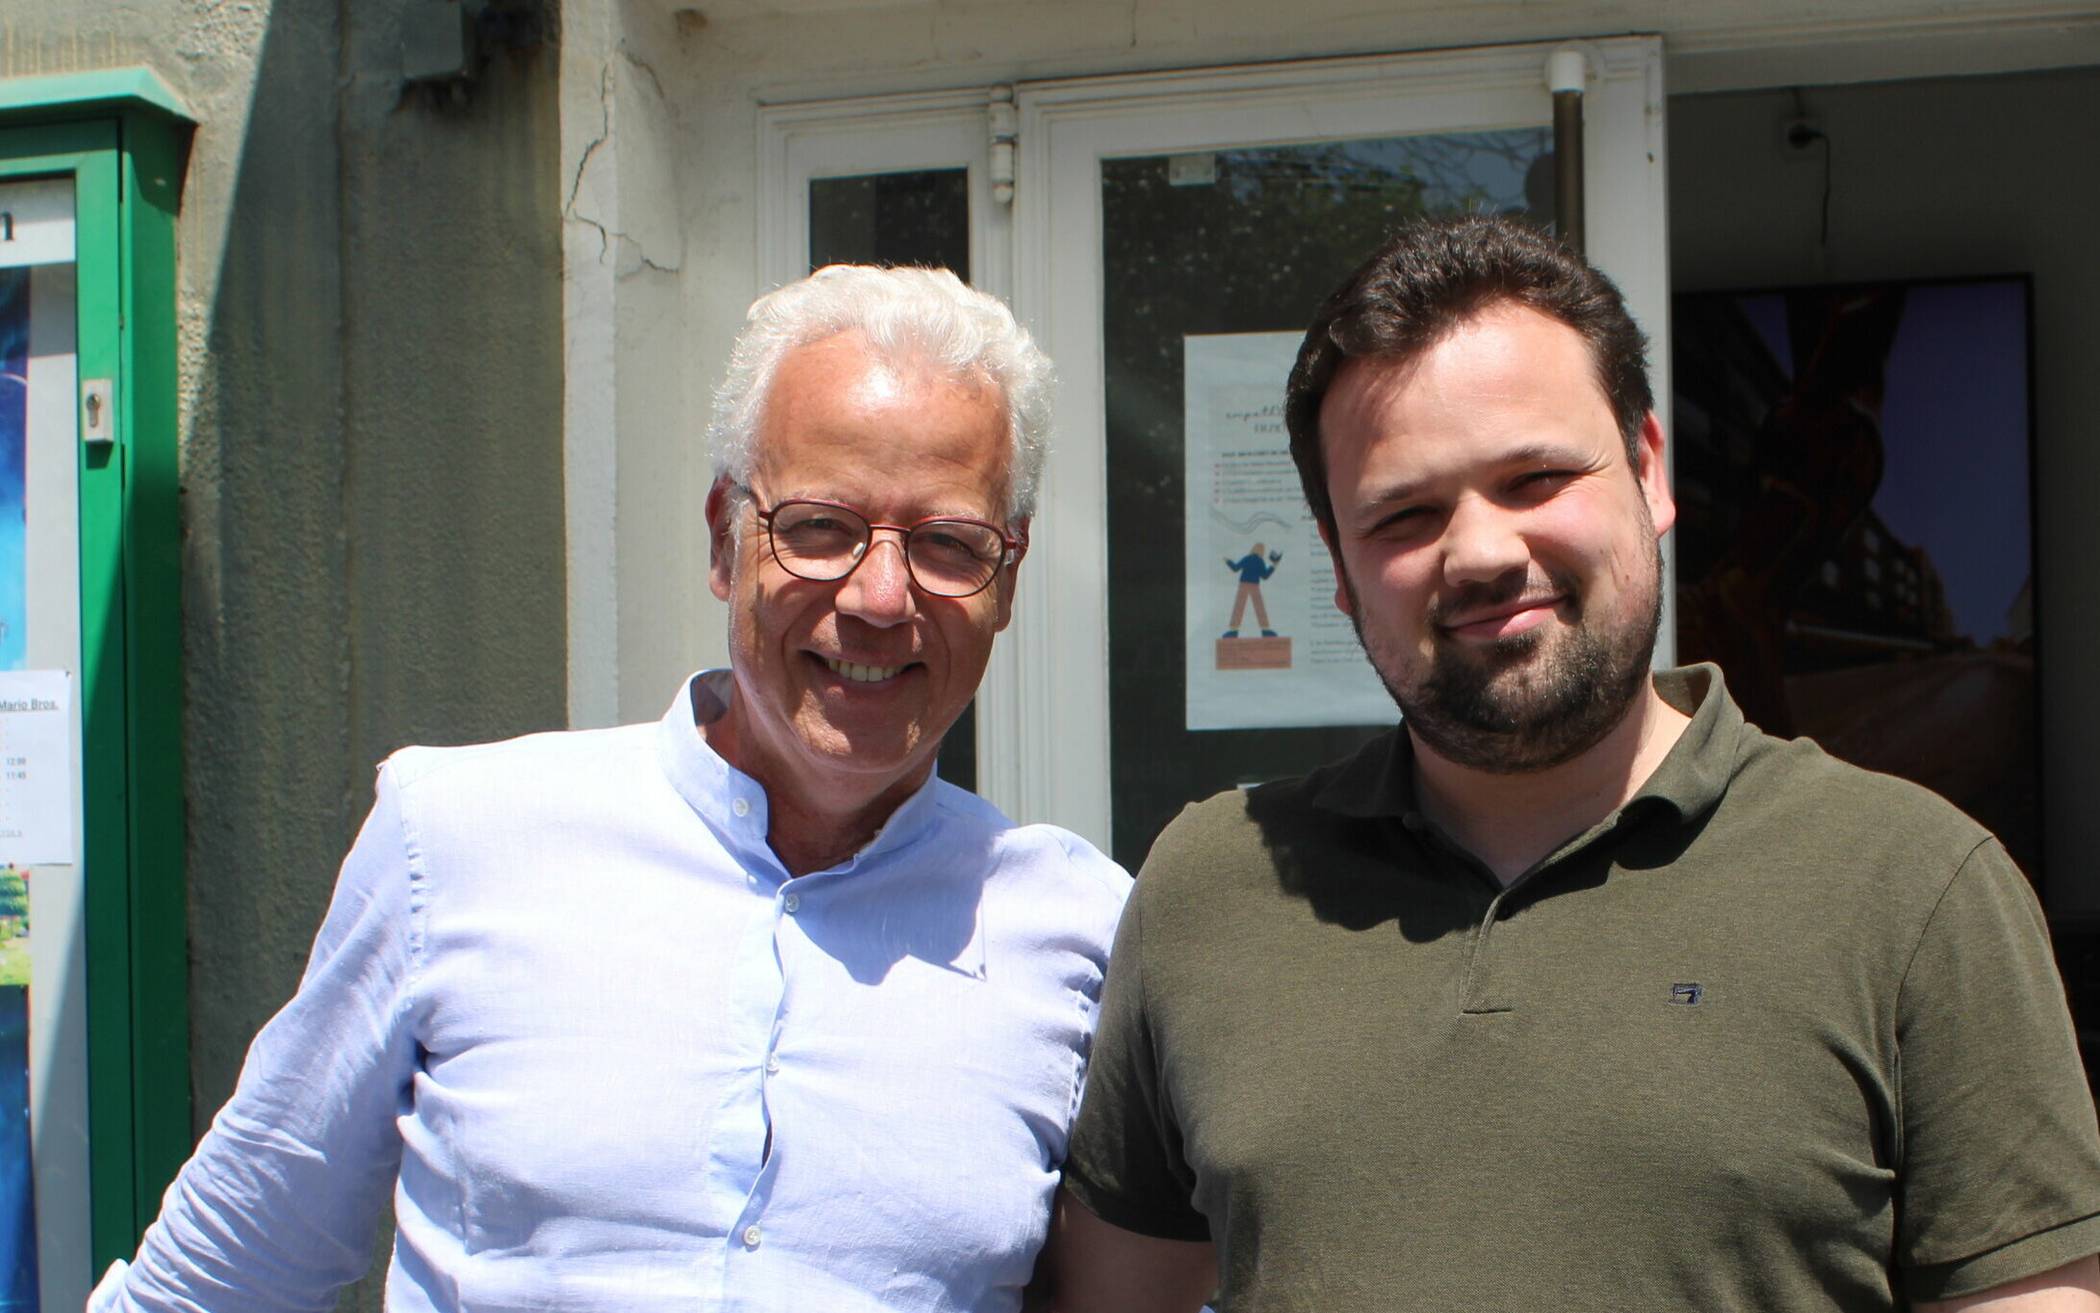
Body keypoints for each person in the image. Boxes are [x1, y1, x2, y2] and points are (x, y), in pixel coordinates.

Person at [1044, 216, 2100, 1312]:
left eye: (1536, 476)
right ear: (1343, 573)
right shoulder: (1215, 885)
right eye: (1405, 513)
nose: (1486, 552)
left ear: (1650, 471)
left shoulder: (1915, 884)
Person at [95, 265, 1130, 1313]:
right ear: (726, 536)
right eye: (820, 525)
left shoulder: (1080, 933)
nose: (877, 596)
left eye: (948, 542)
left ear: (1007, 575)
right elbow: (217, 1284)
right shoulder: (458, 839)